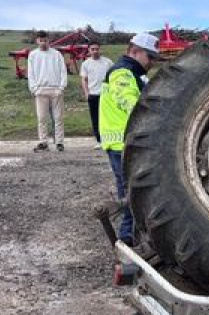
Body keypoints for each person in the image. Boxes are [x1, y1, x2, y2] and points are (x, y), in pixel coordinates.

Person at [100, 33, 162, 246]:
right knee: (130, 193)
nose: (152, 63)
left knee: (132, 191)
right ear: (134, 51)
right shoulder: (122, 73)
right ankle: (127, 238)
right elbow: (132, 105)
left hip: (125, 143)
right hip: (121, 144)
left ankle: (132, 235)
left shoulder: (132, 73)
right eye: (150, 57)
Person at [27, 31, 68, 152]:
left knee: (58, 117)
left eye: (45, 40)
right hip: (40, 89)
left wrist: (61, 87)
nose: (43, 43)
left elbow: (63, 71)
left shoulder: (56, 54)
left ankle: (59, 142)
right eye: (41, 40)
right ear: (37, 41)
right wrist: (34, 89)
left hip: (55, 89)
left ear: (48, 40)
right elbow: (31, 73)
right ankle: (43, 141)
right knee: (41, 117)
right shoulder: (33, 55)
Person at [79, 42, 113, 148]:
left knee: (107, 118)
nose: (95, 51)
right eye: (92, 49)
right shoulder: (86, 64)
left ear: (100, 49)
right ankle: (99, 140)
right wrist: (86, 93)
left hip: (106, 95)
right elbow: (84, 79)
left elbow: (113, 77)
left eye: (97, 49)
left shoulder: (108, 62)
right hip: (93, 94)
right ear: (89, 50)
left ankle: (109, 139)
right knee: (95, 118)